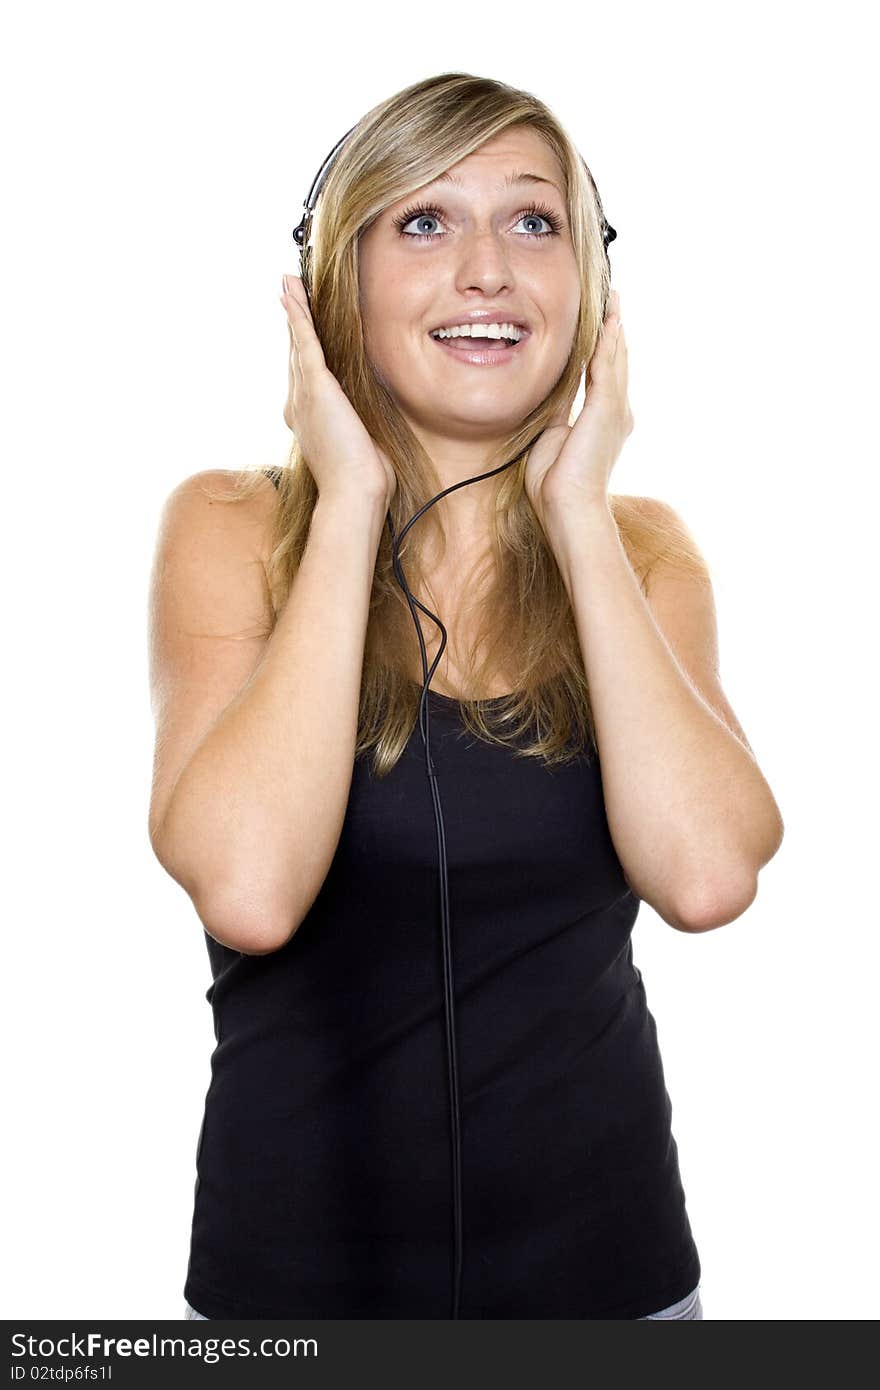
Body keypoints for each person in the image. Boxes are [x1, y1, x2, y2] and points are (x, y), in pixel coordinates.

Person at [147, 72, 784, 1320]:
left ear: (586, 290)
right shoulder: (230, 527)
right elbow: (251, 889)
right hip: (295, 1304)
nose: (487, 269)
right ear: (337, 283)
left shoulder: (645, 552)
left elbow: (708, 876)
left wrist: (579, 515)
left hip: (617, 1289)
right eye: (425, 222)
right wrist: (348, 508)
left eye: (533, 222)